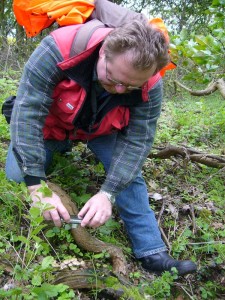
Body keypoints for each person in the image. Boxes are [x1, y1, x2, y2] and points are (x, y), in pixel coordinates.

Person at [5, 0, 197, 276]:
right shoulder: (58, 48)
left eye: (131, 85)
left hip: (101, 129)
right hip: (55, 124)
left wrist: (108, 192)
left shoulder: (151, 82)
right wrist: (37, 186)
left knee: (131, 176)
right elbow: (28, 113)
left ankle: (152, 252)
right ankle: (56, 152)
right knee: (16, 173)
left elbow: (138, 141)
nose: (120, 90)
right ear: (104, 51)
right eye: (114, 79)